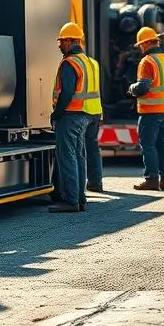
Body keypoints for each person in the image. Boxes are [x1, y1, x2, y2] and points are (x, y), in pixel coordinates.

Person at [49, 22, 102, 213]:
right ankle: (79, 199)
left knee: (67, 156)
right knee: (79, 156)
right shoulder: (90, 62)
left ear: (71, 41)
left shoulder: (69, 63)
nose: (59, 45)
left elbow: (67, 92)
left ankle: (71, 200)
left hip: (71, 115)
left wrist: (56, 114)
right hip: (88, 115)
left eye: (61, 41)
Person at [128, 26, 164, 191]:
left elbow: (143, 87)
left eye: (141, 44)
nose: (140, 48)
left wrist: (131, 89)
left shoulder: (147, 61)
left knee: (148, 146)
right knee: (162, 145)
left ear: (148, 43)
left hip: (151, 111)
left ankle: (151, 180)